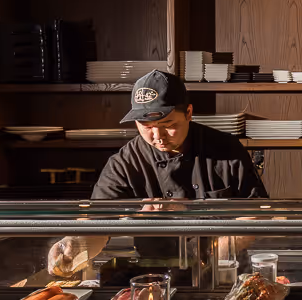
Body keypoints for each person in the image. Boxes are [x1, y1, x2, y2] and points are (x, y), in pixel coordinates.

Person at [48, 69, 267, 276]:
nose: (158, 135)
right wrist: (73, 245)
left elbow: (259, 212)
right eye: (146, 126)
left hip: (224, 271)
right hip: (154, 276)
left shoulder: (226, 148)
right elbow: (98, 224)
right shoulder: (125, 162)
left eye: (167, 124)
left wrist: (220, 247)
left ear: (189, 113)